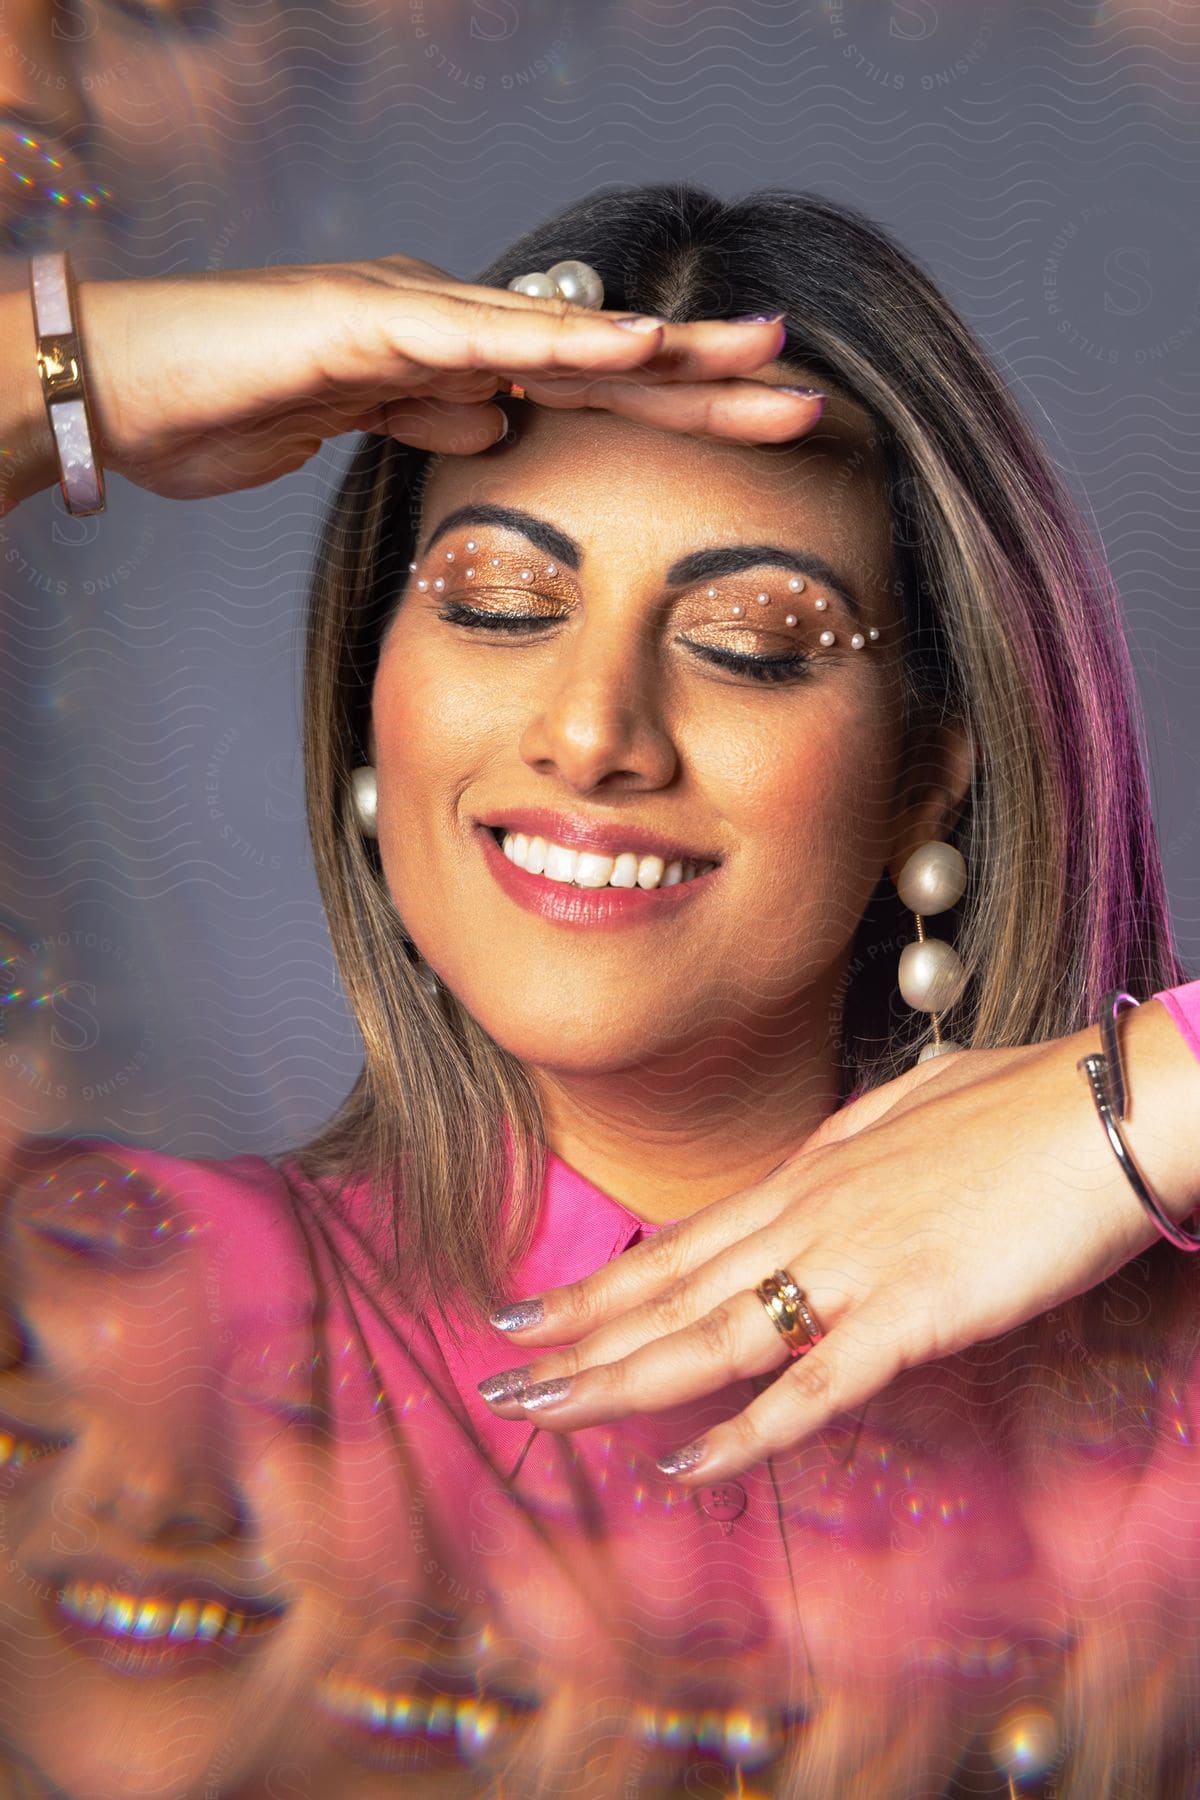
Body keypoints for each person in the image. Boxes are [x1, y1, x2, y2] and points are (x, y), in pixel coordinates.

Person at [4, 181, 1200, 1795]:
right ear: (375, 695)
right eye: (498, 605)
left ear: (933, 768)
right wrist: (75, 366)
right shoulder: (116, 1307)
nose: (591, 731)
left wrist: (1145, 1099)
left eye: (755, 639)